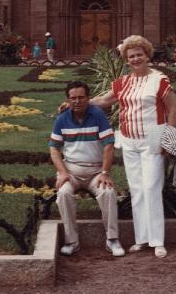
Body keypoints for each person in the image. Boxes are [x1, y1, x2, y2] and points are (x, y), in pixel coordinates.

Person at [90, 35, 176, 259]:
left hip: (153, 140)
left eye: (139, 54)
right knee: (137, 190)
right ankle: (142, 239)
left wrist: (169, 138)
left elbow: (171, 111)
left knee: (151, 188)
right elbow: (104, 101)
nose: (136, 59)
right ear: (126, 60)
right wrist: (77, 103)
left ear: (147, 56)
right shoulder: (123, 82)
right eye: (131, 56)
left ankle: (158, 241)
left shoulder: (160, 80)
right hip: (128, 141)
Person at [49, 81, 124, 258]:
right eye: (73, 98)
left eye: (81, 97)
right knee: (64, 193)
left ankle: (112, 239)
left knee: (108, 193)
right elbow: (54, 149)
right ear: (67, 99)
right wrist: (63, 173)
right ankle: (72, 241)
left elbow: (108, 145)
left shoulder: (97, 115)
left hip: (96, 172)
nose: (77, 101)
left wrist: (105, 172)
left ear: (88, 98)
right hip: (72, 171)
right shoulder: (62, 119)